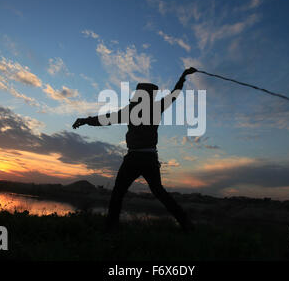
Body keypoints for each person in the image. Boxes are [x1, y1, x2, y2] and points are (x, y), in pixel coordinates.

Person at [72, 67, 198, 231]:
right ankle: (186, 224)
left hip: (134, 158)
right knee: (159, 193)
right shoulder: (156, 108)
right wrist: (183, 76)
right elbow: (175, 93)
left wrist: (85, 120)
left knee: (118, 193)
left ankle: (111, 228)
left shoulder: (132, 110)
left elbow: (106, 119)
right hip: (150, 159)